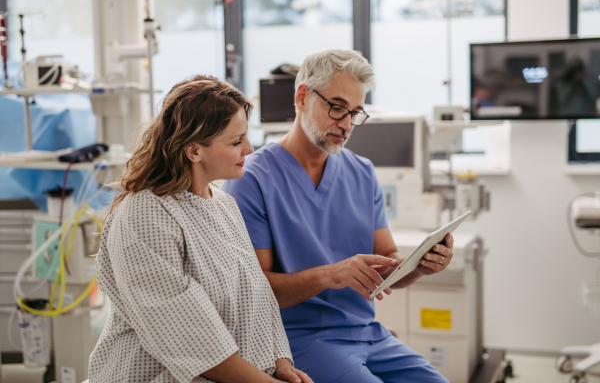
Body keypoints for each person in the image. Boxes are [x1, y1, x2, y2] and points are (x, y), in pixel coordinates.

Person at [223, 50, 454, 383]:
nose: (346, 124)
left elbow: (388, 262)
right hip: (298, 340)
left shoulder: (361, 172)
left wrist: (420, 265)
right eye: (337, 107)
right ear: (302, 97)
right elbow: (256, 293)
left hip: (369, 334)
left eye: (356, 113)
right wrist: (332, 275)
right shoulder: (253, 178)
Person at [88, 75, 313, 383]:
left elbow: (256, 294)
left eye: (245, 137)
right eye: (236, 142)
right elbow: (185, 333)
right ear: (193, 151)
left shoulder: (222, 204)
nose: (249, 149)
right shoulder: (144, 213)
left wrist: (280, 360)